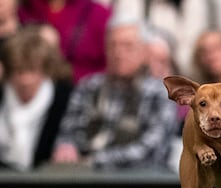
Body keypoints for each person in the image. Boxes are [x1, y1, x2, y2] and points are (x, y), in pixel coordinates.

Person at [51, 15, 178, 170]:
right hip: (84, 180)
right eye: (113, 45)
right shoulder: (88, 87)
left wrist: (94, 161)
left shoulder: (160, 94)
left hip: (139, 183)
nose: (118, 53)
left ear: (144, 52)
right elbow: (67, 132)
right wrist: (66, 147)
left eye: (127, 46)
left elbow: (151, 151)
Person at [0, 25, 73, 171]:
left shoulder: (64, 97)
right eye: (19, 71)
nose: (25, 80)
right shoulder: (1, 94)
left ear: (45, 69)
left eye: (32, 70)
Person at [18, 0, 112, 84]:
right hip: (30, 89)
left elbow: (111, 66)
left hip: (79, 89)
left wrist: (75, 74)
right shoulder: (23, 10)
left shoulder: (97, 13)